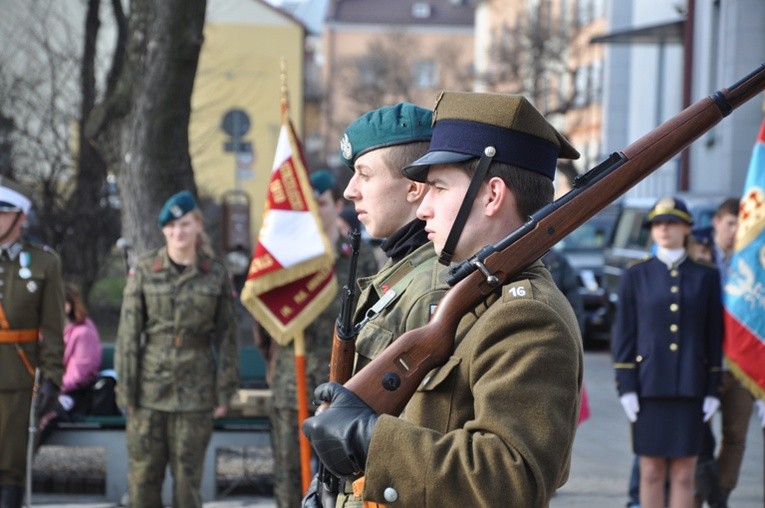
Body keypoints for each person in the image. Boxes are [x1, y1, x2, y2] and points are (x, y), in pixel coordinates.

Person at [303, 92, 584, 506]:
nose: (423, 208)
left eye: (437, 187)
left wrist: (371, 438)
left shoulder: (527, 315)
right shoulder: (472, 299)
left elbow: (511, 479)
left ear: (491, 195)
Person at [302, 102, 451, 506]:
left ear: (413, 186)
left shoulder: (432, 288)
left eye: (364, 174)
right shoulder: (402, 272)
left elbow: (422, 432)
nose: (350, 190)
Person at [260, 169, 378, 508]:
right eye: (308, 202)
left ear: (336, 204)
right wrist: (272, 360)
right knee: (288, 471)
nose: (314, 208)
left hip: (340, 381)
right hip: (290, 379)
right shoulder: (287, 259)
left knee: (341, 472)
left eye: (322, 202)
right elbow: (265, 320)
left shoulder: (356, 256)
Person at [115, 190, 240, 508]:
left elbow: (227, 337)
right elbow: (128, 336)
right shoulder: (144, 270)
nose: (178, 232)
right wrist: (126, 391)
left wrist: (224, 392)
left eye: (185, 224)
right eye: (171, 226)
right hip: (148, 391)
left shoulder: (216, 274)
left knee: (188, 485)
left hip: (195, 392)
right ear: (163, 230)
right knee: (143, 482)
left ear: (198, 225)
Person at [612, 196, 723, 508]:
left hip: (691, 385)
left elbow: (714, 334)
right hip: (649, 386)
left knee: (685, 472)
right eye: (658, 223)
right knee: (650, 470)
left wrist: (714, 385)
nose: (664, 229)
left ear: (687, 228)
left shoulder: (706, 275)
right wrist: (626, 385)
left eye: (672, 223)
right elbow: (624, 333)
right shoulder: (636, 274)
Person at [0, 176, 65, 507]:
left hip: (19, 379)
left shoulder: (44, 262)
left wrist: (53, 378)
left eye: (2, 212)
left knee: (12, 468)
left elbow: (53, 328)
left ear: (20, 217)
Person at [708, 197, 753, 507]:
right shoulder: (698, 256)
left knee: (736, 436)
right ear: (717, 223)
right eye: (730, 223)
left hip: (741, 367)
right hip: (706, 363)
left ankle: (720, 493)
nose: (735, 231)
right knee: (696, 436)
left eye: (741, 224)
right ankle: (698, 492)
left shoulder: (752, 265)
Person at [38, 282, 103, 444]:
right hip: (46, 389)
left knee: (43, 413)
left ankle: (23, 462)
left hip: (74, 395)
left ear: (67, 306)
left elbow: (78, 375)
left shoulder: (83, 333)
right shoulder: (47, 330)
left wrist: (51, 386)